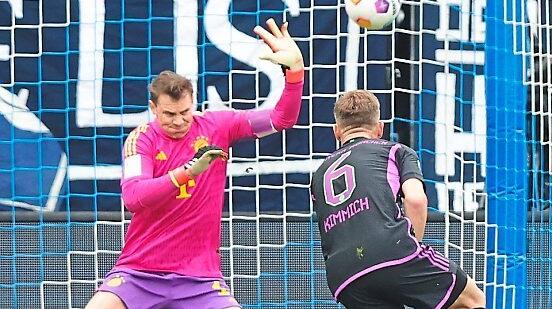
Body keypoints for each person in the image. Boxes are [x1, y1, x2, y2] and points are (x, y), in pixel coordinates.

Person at [85, 18, 304, 309]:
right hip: (140, 272)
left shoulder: (218, 125)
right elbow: (134, 198)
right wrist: (189, 172)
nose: (178, 121)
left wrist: (295, 73)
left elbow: (281, 119)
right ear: (153, 108)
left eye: (185, 112)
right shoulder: (142, 140)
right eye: (169, 114)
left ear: (194, 102)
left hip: (200, 279)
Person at [309, 90, 486, 309]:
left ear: (336, 132)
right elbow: (415, 200)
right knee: (471, 301)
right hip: (391, 250)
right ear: (380, 128)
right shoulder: (394, 151)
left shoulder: (319, 175)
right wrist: (413, 245)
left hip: (343, 276)